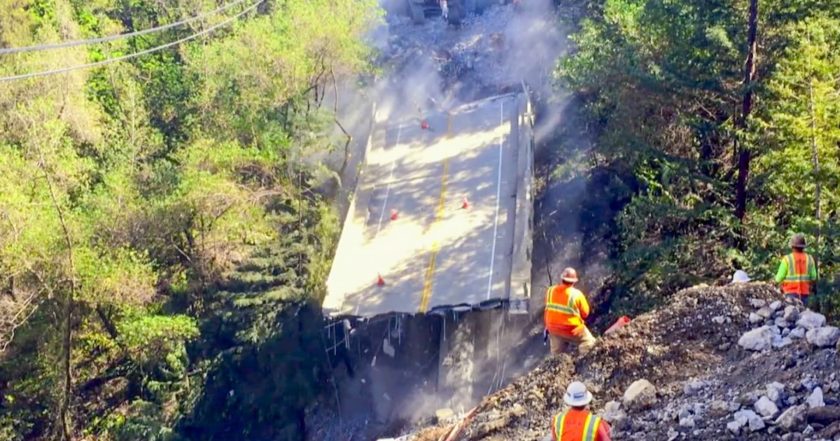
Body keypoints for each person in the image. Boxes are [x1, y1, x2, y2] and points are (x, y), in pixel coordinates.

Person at [544, 267, 596, 354]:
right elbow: (585, 314)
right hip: (571, 329)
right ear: (574, 281)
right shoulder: (576, 294)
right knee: (590, 342)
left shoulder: (550, 291)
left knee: (556, 354)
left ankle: (556, 364)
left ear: (561, 279)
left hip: (552, 328)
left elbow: (548, 307)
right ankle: (583, 359)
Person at [774, 233, 818, 304]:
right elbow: (813, 277)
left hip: (789, 293)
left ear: (792, 246)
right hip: (804, 294)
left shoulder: (787, 259)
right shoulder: (810, 259)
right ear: (803, 246)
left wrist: (775, 283)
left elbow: (779, 278)